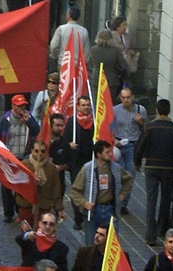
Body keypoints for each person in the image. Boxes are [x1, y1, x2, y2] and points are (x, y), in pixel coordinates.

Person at [69, 140, 133, 245]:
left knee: (112, 243)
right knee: (91, 242)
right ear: (99, 154)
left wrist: (122, 194)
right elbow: (74, 191)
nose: (111, 154)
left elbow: (129, 179)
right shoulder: (87, 169)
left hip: (110, 209)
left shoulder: (115, 168)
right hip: (93, 211)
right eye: (107, 152)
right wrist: (84, 203)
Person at [134, 99, 173, 245]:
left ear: (157, 110)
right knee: (165, 201)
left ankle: (150, 235)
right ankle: (162, 230)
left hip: (151, 167)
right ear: (169, 111)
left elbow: (139, 146)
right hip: (169, 170)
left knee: (151, 201)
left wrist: (137, 162)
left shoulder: (149, 128)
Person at [0, 94, 40, 222]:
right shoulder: (6, 119)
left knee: (22, 186)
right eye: (19, 106)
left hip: (23, 157)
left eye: (23, 106)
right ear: (13, 106)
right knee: (7, 186)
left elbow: (37, 131)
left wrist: (29, 121)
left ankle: (20, 211)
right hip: (9, 157)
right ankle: (8, 213)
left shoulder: (28, 118)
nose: (22, 108)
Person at [113, 86, 147, 214]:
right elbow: (109, 128)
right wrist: (113, 141)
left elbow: (146, 129)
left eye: (128, 97)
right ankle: (115, 201)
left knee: (130, 176)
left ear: (132, 97)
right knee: (117, 175)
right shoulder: (115, 110)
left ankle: (123, 204)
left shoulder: (140, 110)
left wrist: (140, 122)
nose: (126, 100)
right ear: (120, 98)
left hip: (133, 146)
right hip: (118, 145)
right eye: (123, 98)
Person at [64, 95, 95, 231]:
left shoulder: (95, 122)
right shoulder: (72, 121)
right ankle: (78, 218)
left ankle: (89, 214)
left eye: (88, 105)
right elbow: (64, 139)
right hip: (77, 162)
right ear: (78, 107)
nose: (86, 107)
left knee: (90, 189)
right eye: (83, 105)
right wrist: (69, 144)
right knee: (77, 190)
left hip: (91, 160)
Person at [16, 140, 64, 225]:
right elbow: (18, 186)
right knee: (26, 235)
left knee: (43, 235)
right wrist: (31, 183)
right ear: (32, 151)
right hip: (26, 208)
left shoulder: (51, 168)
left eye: (42, 151)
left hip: (44, 208)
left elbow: (56, 190)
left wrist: (59, 209)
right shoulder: (23, 165)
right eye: (36, 151)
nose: (39, 153)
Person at [88, 29, 128, 101]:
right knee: (110, 104)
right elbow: (124, 66)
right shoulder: (115, 51)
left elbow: (89, 64)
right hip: (112, 81)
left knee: (97, 104)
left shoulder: (93, 50)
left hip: (97, 80)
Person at [49, 6, 91, 70]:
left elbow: (53, 46)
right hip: (78, 65)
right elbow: (87, 51)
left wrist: (56, 55)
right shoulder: (84, 31)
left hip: (63, 62)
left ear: (68, 15)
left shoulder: (61, 29)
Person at [48, 113, 76, 197]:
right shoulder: (42, 141)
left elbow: (70, 163)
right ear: (50, 126)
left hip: (58, 182)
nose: (60, 128)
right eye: (57, 125)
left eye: (62, 126)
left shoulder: (64, 143)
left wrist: (61, 167)